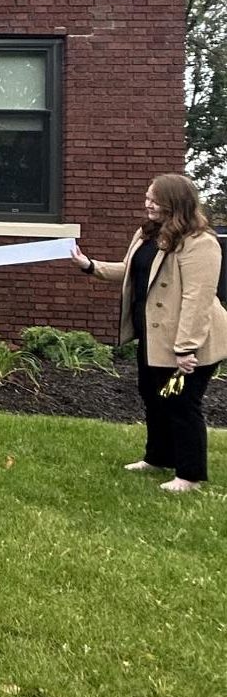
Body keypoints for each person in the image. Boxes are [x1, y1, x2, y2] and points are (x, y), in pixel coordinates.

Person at [72, 172, 227, 492]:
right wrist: (89, 265)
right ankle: (157, 458)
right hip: (154, 337)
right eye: (147, 197)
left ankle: (189, 476)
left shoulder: (201, 243)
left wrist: (187, 348)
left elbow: (197, 300)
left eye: (154, 199)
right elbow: (130, 271)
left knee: (183, 404)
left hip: (190, 341)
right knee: (153, 398)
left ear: (175, 203)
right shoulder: (146, 235)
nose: (148, 204)